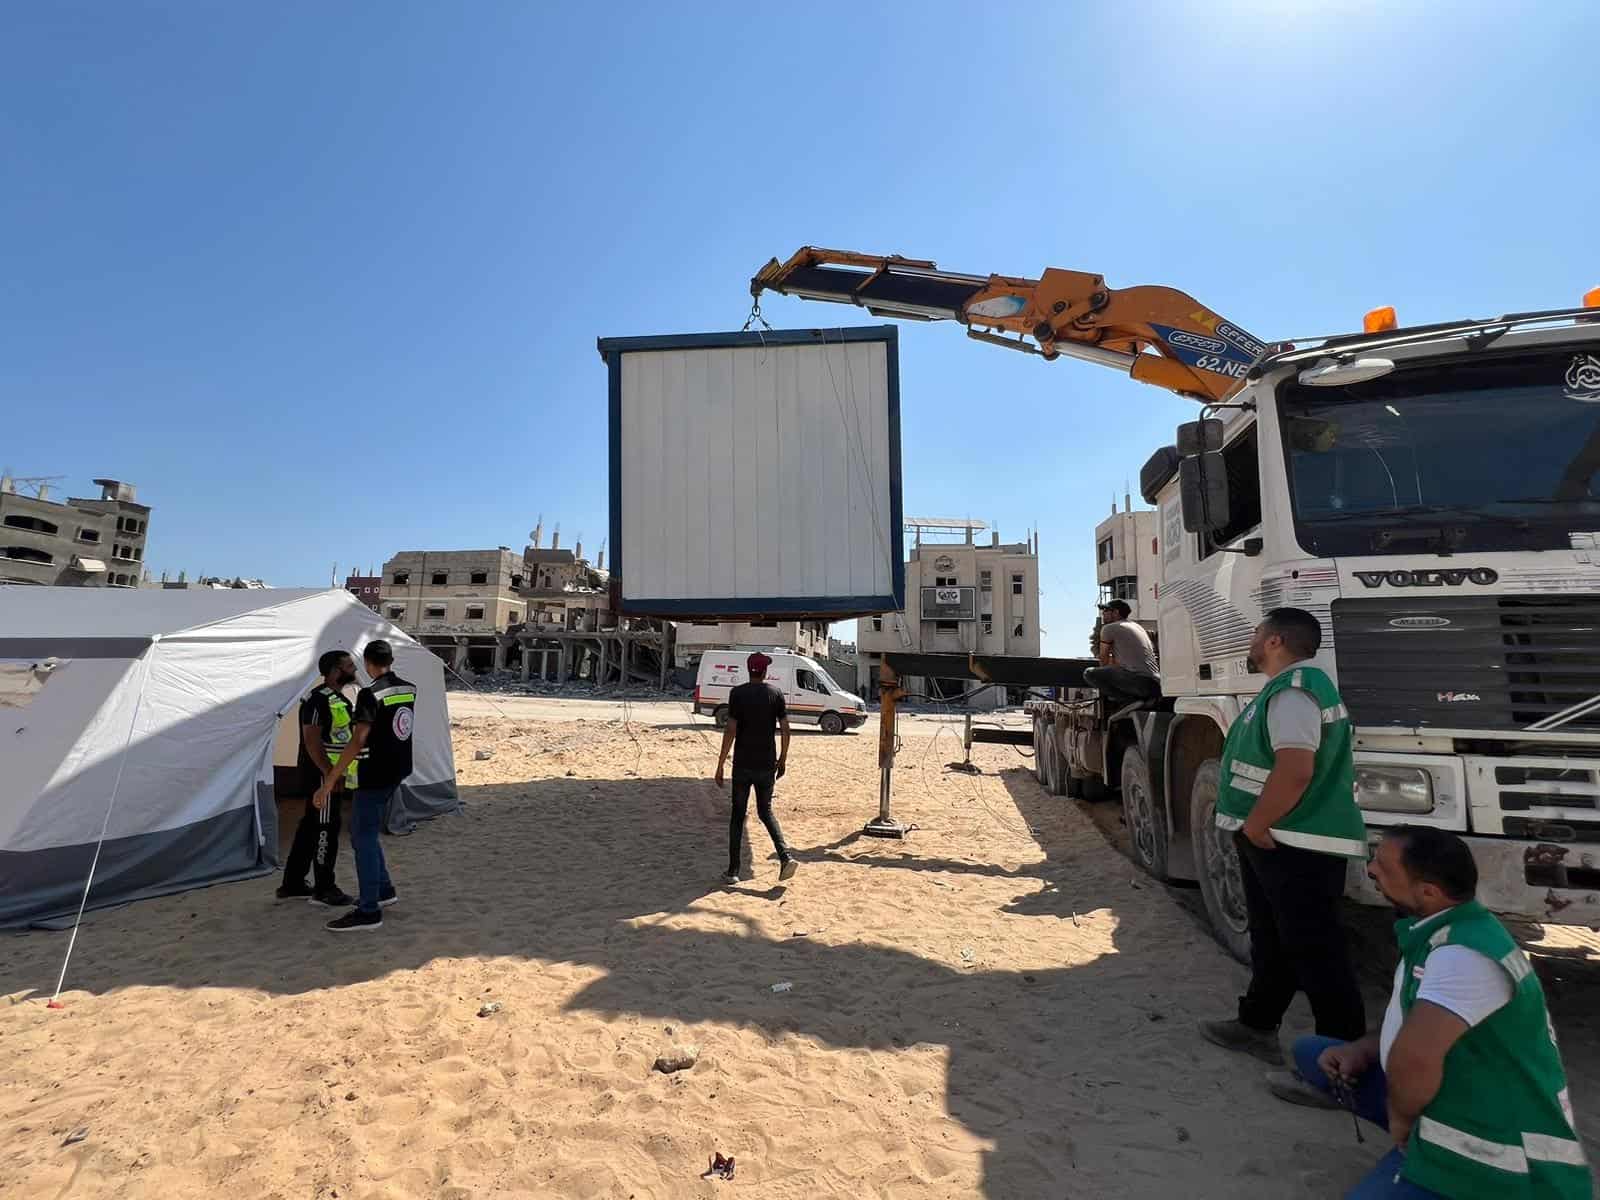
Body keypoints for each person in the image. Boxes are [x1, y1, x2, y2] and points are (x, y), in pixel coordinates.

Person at [1268, 827, 1591, 1199]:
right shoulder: (1442, 930)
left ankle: (1420, 1152)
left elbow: (1414, 1058)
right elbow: (1410, 1024)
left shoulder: (1464, 957)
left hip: (1494, 1151)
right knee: (1313, 1052)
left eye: (1383, 866)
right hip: (1454, 1089)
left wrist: (1401, 1122)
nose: (1372, 869)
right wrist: (1362, 1050)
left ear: (1427, 892)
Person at [1200, 606, 1368, 1062]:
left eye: (1257, 634)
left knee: (1315, 950)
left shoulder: (1296, 691)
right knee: (1274, 939)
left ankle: (1343, 1062)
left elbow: (1295, 769)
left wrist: (1256, 824)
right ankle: (1256, 1024)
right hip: (1281, 836)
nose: (1251, 641)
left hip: (1294, 839)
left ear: (1275, 641)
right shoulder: (1284, 689)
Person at [315, 640, 413, 932]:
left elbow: (358, 739)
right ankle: (383, 891)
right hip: (398, 768)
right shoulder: (408, 688)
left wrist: (329, 779)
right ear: (391, 660)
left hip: (374, 773)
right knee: (367, 833)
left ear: (369, 663)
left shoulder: (371, 694)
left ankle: (369, 910)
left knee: (362, 837)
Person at [276, 650, 360, 908]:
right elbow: (312, 741)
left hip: (328, 778)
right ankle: (325, 888)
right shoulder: (317, 700)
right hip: (322, 781)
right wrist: (329, 777)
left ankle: (292, 884)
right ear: (336, 670)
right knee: (326, 830)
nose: (354, 668)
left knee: (310, 829)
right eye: (349, 665)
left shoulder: (337, 699)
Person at [713, 651, 798, 885]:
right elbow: (786, 728)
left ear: (749, 669)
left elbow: (730, 729)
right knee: (766, 811)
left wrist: (720, 763)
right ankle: (785, 856)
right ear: (765, 671)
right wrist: (783, 758)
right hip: (766, 764)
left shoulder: (737, 694)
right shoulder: (776, 694)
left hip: (742, 764)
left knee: (737, 816)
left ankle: (732, 871)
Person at [1083, 600, 1160, 705]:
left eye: (1106, 610)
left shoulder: (1108, 628)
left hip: (1139, 683)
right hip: (1155, 684)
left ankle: (1130, 701)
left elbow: (1103, 660)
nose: (1103, 613)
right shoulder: (1137, 627)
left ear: (1116, 612)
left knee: (1089, 673)